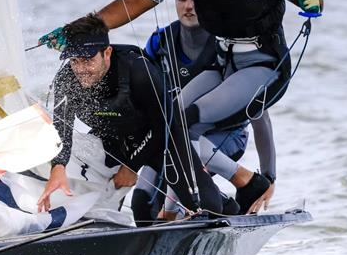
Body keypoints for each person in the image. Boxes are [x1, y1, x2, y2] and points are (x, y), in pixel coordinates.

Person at [40, 0, 321, 214]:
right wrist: (79, 29)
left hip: (263, 65)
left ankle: (248, 183)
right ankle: (196, 204)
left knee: (182, 123)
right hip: (223, 63)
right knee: (170, 119)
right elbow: (135, 2)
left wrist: (310, 1)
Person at [36, 14, 223, 225]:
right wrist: (58, 168)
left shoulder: (138, 70)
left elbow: (164, 124)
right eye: (75, 61)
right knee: (141, 211)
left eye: (88, 60)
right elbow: (62, 130)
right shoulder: (67, 79)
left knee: (208, 210)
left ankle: (227, 206)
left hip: (161, 135)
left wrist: (131, 166)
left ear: (107, 52)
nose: (80, 69)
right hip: (112, 139)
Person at [135, 0, 276, 219]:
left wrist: (270, 177)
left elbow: (262, 116)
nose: (188, 6)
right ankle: (224, 205)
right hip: (175, 135)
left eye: (196, 0)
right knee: (142, 206)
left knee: (181, 184)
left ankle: (243, 183)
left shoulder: (229, 45)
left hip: (226, 137)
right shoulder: (161, 41)